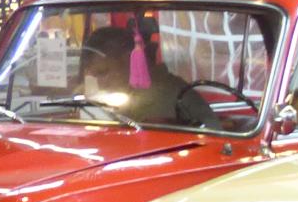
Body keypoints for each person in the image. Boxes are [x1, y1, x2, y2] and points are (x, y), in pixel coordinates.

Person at [78, 25, 216, 130]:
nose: (101, 84)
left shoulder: (168, 97)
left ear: (128, 60)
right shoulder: (123, 98)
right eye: (95, 76)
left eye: (103, 72)